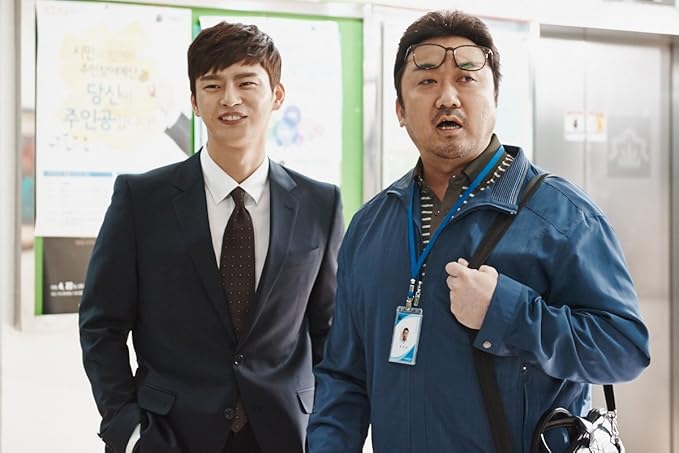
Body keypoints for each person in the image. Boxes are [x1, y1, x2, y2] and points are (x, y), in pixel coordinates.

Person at [307, 9, 649, 452]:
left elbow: (624, 348)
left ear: (495, 98)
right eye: (427, 81)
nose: (447, 97)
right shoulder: (371, 226)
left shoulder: (562, 216)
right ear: (399, 110)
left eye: (466, 79)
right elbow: (344, 378)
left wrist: (508, 313)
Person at [79, 21, 343, 453]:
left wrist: (326, 429)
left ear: (277, 95)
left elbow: (329, 331)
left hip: (286, 435)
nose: (230, 99)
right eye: (213, 85)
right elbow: (101, 324)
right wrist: (127, 428)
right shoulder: (141, 199)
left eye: (246, 82)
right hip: (167, 435)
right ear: (195, 102)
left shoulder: (320, 203)